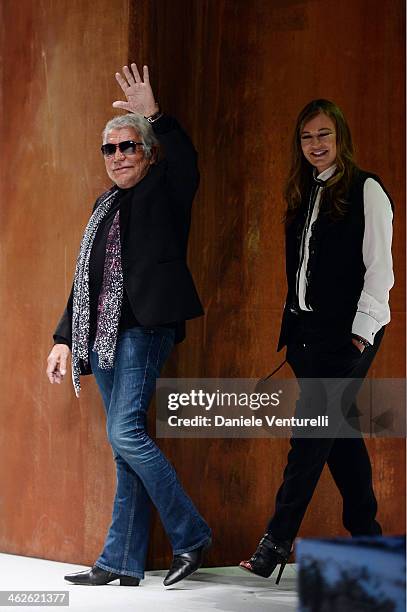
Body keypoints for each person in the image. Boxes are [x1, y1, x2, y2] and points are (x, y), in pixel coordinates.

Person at [46, 63, 211, 587]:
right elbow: (85, 283)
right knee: (125, 447)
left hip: (145, 327)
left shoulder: (167, 187)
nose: (118, 157)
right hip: (103, 335)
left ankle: (191, 534)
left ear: (147, 151)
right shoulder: (104, 205)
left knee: (125, 432)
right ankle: (119, 561)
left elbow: (187, 160)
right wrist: (63, 339)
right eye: (110, 150)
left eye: (128, 146)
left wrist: (154, 115)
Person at [239, 99, 394, 583]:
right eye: (307, 138)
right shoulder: (303, 191)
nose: (316, 145)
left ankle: (275, 543)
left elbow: (380, 269)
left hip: (349, 335)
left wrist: (359, 335)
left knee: (308, 436)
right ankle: (370, 544)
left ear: (340, 136)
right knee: (338, 437)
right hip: (306, 336)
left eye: (324, 135)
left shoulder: (366, 189)